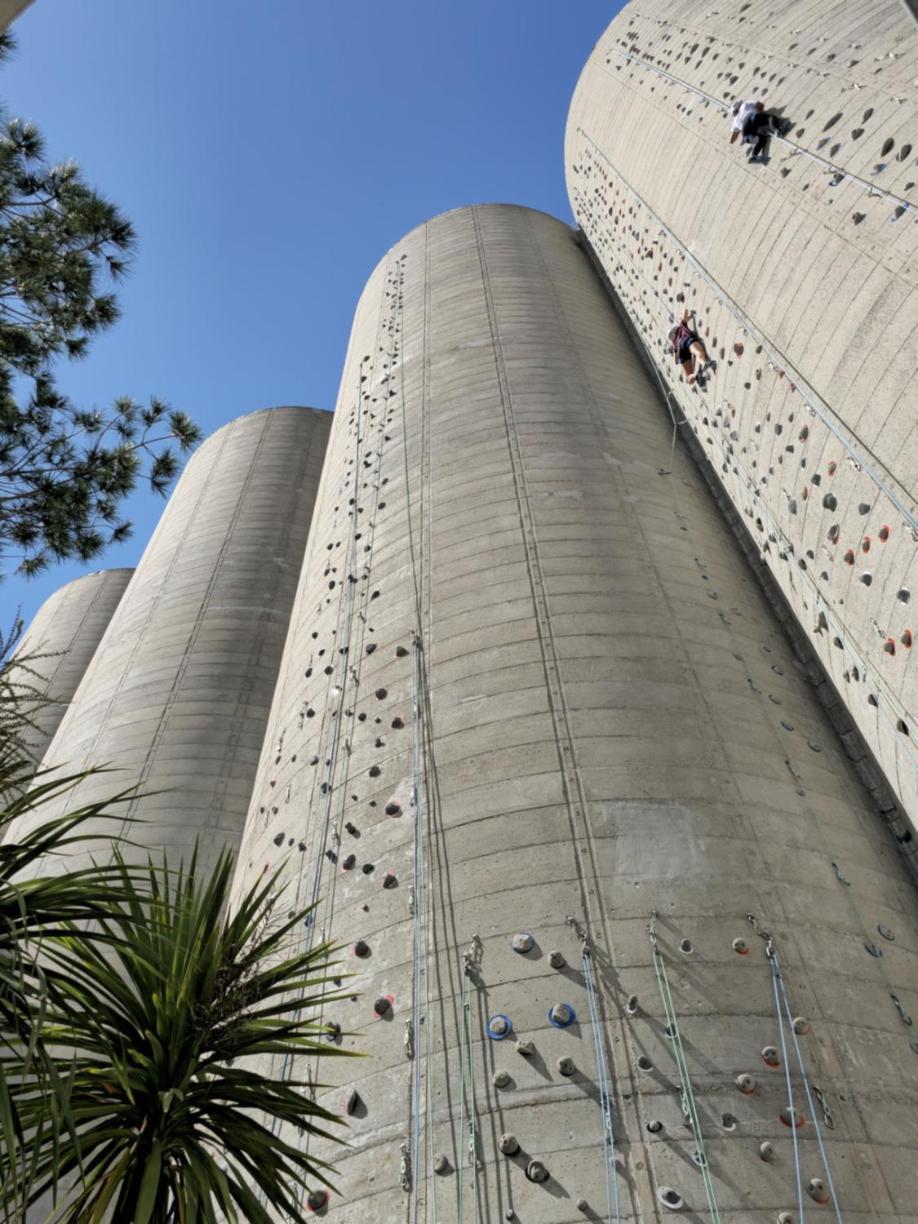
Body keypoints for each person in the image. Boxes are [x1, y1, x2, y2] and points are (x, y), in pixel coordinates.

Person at [668, 310, 714, 385]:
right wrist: (687, 316)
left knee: (689, 376)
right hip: (686, 341)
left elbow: (676, 361)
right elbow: (685, 311)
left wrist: (677, 350)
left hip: (681, 351)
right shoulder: (681, 327)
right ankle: (704, 364)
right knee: (698, 353)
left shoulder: (675, 344)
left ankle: (694, 376)